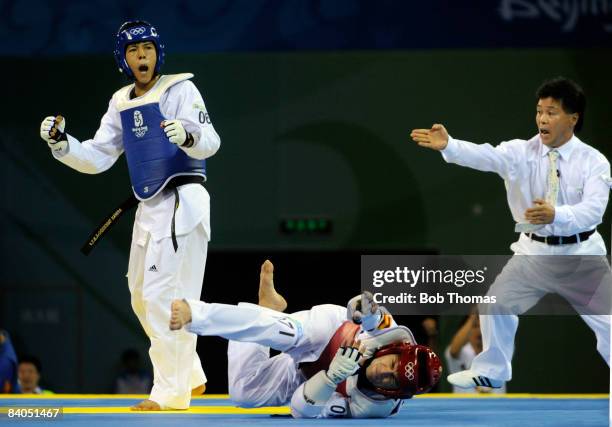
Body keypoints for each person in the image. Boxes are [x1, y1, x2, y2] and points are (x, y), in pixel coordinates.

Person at [39, 20, 220, 410]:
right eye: (134, 51)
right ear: (123, 59)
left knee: (163, 298)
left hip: (180, 202)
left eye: (148, 49)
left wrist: (187, 136)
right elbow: (98, 156)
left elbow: (211, 141)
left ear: (159, 53)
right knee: (140, 298)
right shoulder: (121, 101)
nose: (143, 56)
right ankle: (189, 375)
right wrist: (61, 143)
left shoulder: (179, 89)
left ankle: (170, 393)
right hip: (148, 207)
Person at [410, 76, 610, 388]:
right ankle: (493, 369)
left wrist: (557, 213)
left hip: (581, 255)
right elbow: (485, 155)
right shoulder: (520, 152)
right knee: (496, 303)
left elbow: (594, 211)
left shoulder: (594, 162)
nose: (542, 118)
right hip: (533, 252)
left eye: (552, 112)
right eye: (539, 111)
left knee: (610, 324)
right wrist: (450, 145)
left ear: (573, 118)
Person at [169, 260, 442, 419]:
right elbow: (366, 311)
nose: (385, 370)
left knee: (244, 393)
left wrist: (332, 378)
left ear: (393, 392)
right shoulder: (393, 335)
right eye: (393, 363)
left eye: (392, 378)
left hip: (310, 377)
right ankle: (199, 314)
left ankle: (266, 307)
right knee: (284, 331)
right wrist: (364, 308)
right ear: (393, 350)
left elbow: (301, 411)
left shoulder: (369, 406)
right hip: (328, 332)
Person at [444, 314, 505, 393]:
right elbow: (453, 351)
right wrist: (473, 317)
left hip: (499, 405)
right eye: (475, 326)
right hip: (464, 405)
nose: (480, 331)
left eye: (483, 326)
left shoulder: (500, 351)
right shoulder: (461, 352)